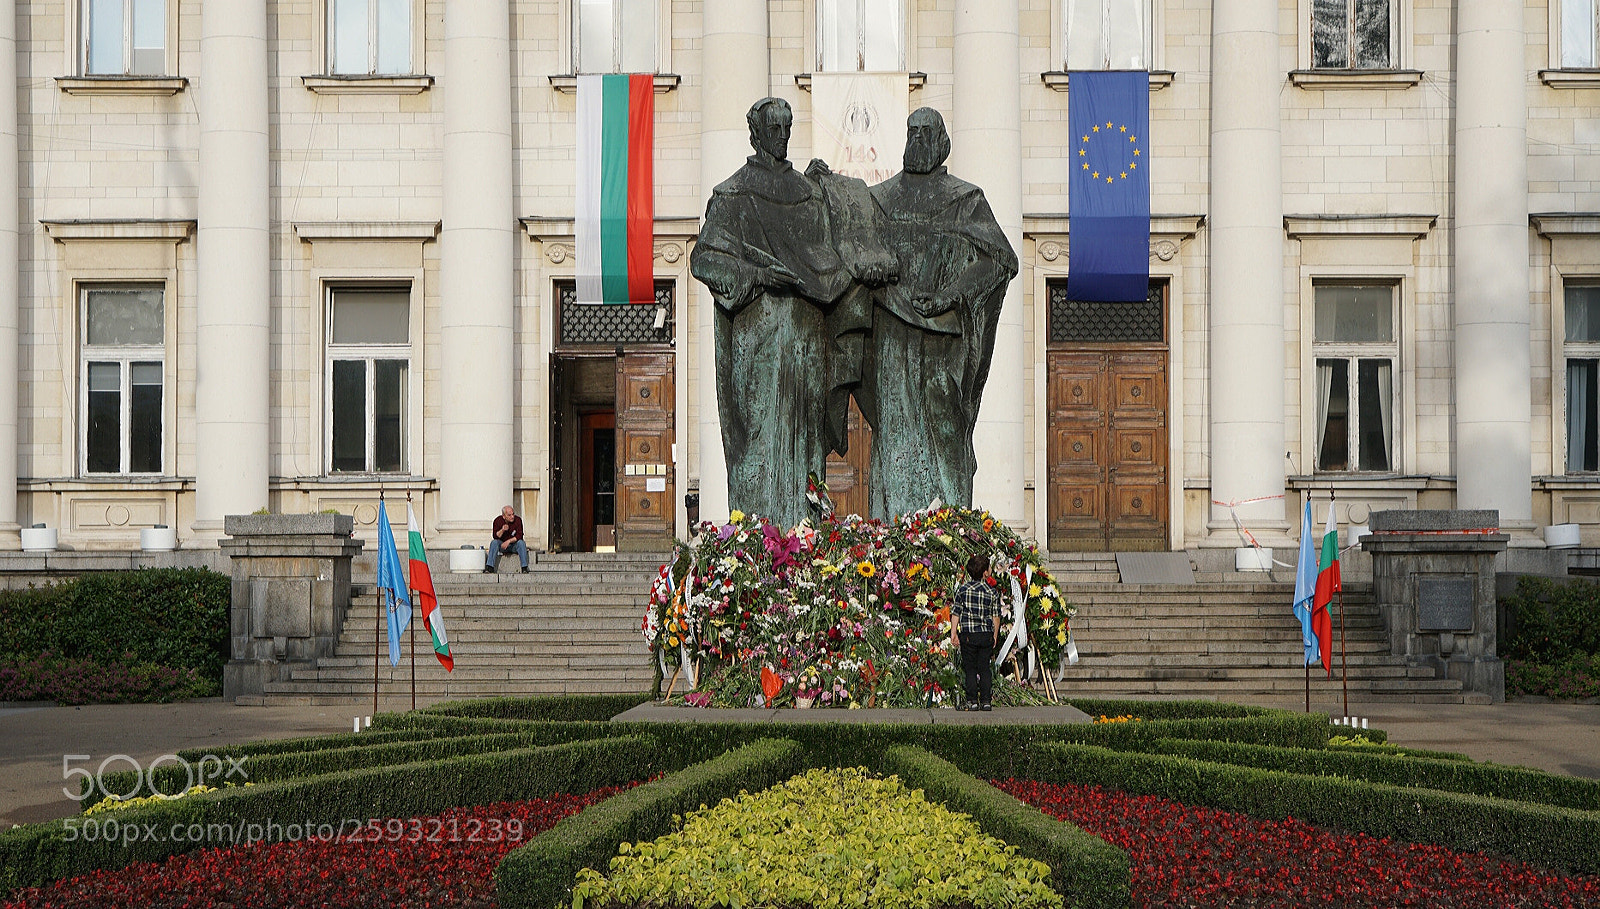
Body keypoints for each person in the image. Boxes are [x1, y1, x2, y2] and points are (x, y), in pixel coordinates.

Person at [690, 97, 895, 527]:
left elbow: (835, 241)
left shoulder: (807, 193)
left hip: (805, 333)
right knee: (761, 437)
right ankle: (759, 534)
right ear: (756, 133)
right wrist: (760, 274)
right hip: (760, 334)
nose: (781, 136)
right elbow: (705, 259)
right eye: (773, 128)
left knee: (805, 438)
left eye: (787, 127)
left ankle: (801, 532)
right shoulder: (734, 193)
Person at [863, 107, 1018, 519]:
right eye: (911, 132)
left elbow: (999, 259)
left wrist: (950, 294)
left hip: (945, 339)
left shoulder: (966, 200)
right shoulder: (879, 199)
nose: (917, 141)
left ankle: (951, 525)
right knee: (894, 431)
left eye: (926, 133)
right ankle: (894, 528)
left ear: (942, 143)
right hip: (892, 335)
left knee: (946, 429)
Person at [949, 553, 1001, 711]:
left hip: (968, 635)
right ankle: (986, 700)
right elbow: (996, 616)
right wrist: (995, 635)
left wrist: (953, 633)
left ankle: (972, 700)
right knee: (984, 668)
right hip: (985, 634)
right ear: (985, 572)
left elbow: (956, 612)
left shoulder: (963, 590)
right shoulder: (992, 592)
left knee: (970, 668)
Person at [485, 505, 528, 573]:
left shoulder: (518, 520)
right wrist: (502, 530)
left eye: (513, 514)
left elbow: (520, 535)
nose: (512, 517)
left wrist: (509, 541)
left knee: (521, 543)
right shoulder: (497, 521)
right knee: (494, 542)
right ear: (504, 516)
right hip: (502, 546)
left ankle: (524, 567)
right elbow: (495, 536)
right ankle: (490, 567)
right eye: (509, 515)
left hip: (513, 545)